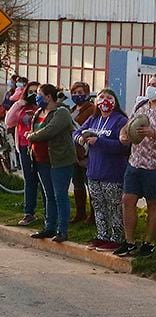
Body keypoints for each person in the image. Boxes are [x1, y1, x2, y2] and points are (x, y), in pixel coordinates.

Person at [115, 73, 156, 258]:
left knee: (153, 204)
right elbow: (127, 127)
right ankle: (129, 241)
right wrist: (123, 135)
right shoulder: (141, 105)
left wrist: (154, 133)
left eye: (154, 84)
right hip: (135, 162)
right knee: (128, 200)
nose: (150, 87)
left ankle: (149, 242)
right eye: (149, 83)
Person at [74, 89, 130, 251]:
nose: (105, 100)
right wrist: (80, 138)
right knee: (98, 205)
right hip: (93, 171)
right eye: (101, 97)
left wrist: (99, 142)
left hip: (113, 172)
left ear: (115, 101)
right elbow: (76, 132)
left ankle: (117, 237)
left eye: (109, 97)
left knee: (114, 206)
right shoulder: (93, 119)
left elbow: (122, 146)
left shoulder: (120, 120)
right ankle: (102, 235)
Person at [26, 85, 78, 242]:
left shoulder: (62, 112)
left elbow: (50, 130)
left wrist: (31, 136)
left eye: (39, 94)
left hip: (59, 160)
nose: (36, 97)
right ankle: (49, 227)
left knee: (59, 195)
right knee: (48, 195)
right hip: (41, 161)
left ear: (49, 96)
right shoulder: (39, 112)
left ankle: (62, 230)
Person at [5, 80, 41, 226]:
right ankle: (29, 213)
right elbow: (9, 121)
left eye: (36, 92)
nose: (33, 95)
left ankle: (48, 214)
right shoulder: (21, 107)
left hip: (41, 148)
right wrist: (20, 102)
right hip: (25, 148)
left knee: (44, 182)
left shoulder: (43, 107)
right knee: (29, 181)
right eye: (30, 92)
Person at [69, 81, 96, 224]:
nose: (77, 95)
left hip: (86, 153)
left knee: (89, 184)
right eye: (74, 92)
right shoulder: (72, 109)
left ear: (87, 93)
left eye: (80, 92)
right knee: (77, 183)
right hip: (73, 153)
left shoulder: (91, 109)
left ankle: (93, 215)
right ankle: (80, 213)